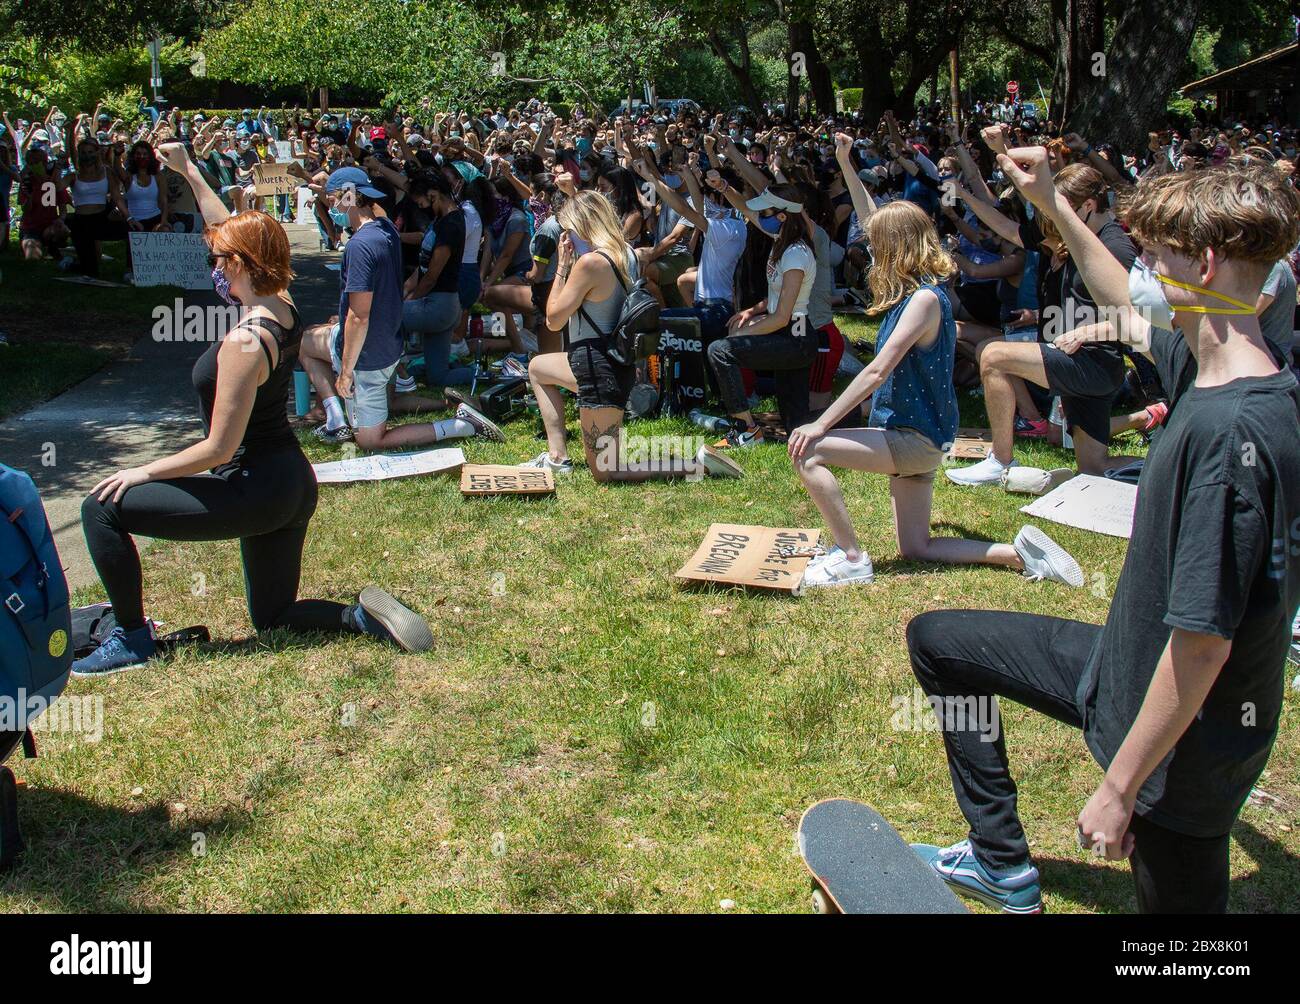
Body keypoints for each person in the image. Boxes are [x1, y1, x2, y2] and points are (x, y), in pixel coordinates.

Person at [906, 151, 1300, 914]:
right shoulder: (1220, 364)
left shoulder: (1230, 433)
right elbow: (1121, 291)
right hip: (1122, 675)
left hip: (1179, 754)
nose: (1141, 267)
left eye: (1156, 253)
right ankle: (999, 862)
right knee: (939, 642)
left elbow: (1203, 644)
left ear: (1206, 264)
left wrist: (1120, 787)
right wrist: (1049, 199)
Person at [73, 143, 435, 676]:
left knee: (100, 507)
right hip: (289, 487)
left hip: (254, 488)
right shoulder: (279, 304)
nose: (211, 263)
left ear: (239, 264)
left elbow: (218, 448)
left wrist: (141, 470)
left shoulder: (244, 342)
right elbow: (230, 227)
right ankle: (359, 618)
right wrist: (190, 170)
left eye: (218, 259)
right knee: (274, 617)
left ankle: (132, 640)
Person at [787, 200, 1083, 589]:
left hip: (913, 438)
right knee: (917, 547)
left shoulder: (923, 300)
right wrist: (845, 158)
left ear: (896, 246)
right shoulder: (917, 296)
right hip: (920, 437)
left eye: (877, 246)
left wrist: (821, 423)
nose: (872, 256)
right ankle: (1018, 554)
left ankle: (851, 559)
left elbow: (877, 371)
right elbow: (871, 209)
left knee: (809, 452)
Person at [523, 190, 740, 480]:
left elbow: (553, 320)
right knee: (538, 368)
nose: (566, 236)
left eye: (568, 229)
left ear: (582, 226)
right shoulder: (627, 254)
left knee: (606, 471)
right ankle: (557, 457)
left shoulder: (589, 264)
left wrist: (562, 265)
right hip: (609, 360)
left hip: (596, 369)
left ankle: (697, 465)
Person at [945, 156, 1137, 481]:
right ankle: (1170, 471)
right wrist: (967, 193)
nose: (1051, 216)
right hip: (1076, 361)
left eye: (1058, 208)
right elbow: (1006, 227)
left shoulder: (1116, 248)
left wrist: (1085, 333)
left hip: (1092, 363)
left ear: (1088, 205)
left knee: (992, 355)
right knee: (1094, 467)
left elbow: (1142, 319)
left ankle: (1000, 461)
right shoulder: (1067, 237)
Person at [299, 167, 502, 450]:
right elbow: (376, 208)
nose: (331, 206)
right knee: (307, 341)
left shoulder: (359, 246)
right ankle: (335, 419)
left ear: (348, 196)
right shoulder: (386, 231)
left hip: (367, 354)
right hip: (390, 342)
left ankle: (461, 425)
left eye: (333, 199)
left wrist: (344, 372)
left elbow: (359, 316)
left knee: (371, 440)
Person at [705, 183, 818, 446]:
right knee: (797, 426)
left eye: (766, 212)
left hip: (796, 338)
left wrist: (742, 334)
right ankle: (856, 414)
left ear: (782, 216)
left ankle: (747, 429)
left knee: (720, 350)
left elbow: (781, 317)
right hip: (791, 334)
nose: (759, 217)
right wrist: (724, 187)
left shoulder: (795, 254)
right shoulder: (782, 238)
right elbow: (746, 208)